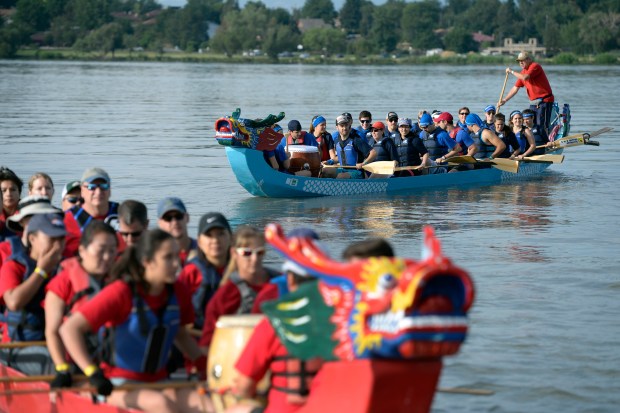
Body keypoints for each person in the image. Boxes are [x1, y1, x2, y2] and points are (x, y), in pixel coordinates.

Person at [59, 229, 211, 413]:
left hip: (159, 380)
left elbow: (181, 335)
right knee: (160, 405)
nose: (176, 264)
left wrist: (204, 365)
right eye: (168, 258)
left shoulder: (179, 291)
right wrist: (92, 373)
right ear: (147, 262)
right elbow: (69, 329)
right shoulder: (121, 292)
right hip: (117, 383)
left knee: (207, 403)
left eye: (176, 256)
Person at [44, 221, 118, 388]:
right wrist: (62, 368)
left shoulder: (118, 281)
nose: (107, 257)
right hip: (72, 362)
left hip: (108, 360)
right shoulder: (63, 282)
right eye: (101, 250)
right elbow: (52, 331)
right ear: (82, 251)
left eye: (112, 251)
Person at [0, 213, 65, 375]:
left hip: (56, 341)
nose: (58, 246)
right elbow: (13, 302)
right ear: (32, 239)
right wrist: (42, 271)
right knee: (54, 362)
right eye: (52, 239)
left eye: (62, 239)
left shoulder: (66, 267)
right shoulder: (13, 266)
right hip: (17, 346)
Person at [199, 226, 277, 351]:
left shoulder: (280, 284)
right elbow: (207, 343)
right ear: (234, 253)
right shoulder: (225, 295)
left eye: (260, 252)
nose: (254, 259)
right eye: (247, 253)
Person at [178, 212, 232, 330]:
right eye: (209, 235)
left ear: (230, 237)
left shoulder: (242, 269)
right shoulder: (191, 272)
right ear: (199, 242)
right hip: (199, 338)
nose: (215, 240)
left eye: (221, 234)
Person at [63, 167, 120, 258]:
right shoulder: (67, 219)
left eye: (104, 186)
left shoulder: (121, 214)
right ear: (82, 191)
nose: (98, 192)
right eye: (91, 187)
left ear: (110, 190)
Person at [501, 51, 554, 132]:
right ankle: (532, 140)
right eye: (519, 61)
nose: (521, 62)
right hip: (533, 103)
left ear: (529, 59)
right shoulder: (522, 73)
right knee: (530, 124)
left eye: (523, 60)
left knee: (541, 125)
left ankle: (545, 141)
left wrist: (511, 71)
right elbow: (515, 88)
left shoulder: (535, 66)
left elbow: (525, 77)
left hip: (544, 102)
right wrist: (505, 100)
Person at [323, 114, 376, 179]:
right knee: (325, 171)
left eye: (346, 125)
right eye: (342, 126)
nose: (344, 128)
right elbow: (340, 157)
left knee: (341, 176)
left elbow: (373, 153)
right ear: (337, 127)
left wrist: (363, 163)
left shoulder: (356, 140)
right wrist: (329, 162)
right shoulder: (337, 140)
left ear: (349, 126)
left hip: (357, 172)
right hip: (342, 169)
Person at [157, 197, 197, 267]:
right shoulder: (156, 256)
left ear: (187, 217)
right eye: (168, 218)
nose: (175, 222)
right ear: (160, 223)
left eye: (178, 216)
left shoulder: (204, 250)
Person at [0, 166, 23, 242]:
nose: (8, 194)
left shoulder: (27, 215)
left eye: (13, 190)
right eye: (4, 190)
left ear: (19, 192)